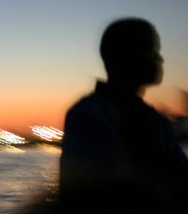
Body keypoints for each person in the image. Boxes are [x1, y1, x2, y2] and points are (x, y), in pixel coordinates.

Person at [59, 17, 188, 213]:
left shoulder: (156, 120)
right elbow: (91, 193)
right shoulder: (88, 115)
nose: (160, 59)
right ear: (123, 55)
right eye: (152, 50)